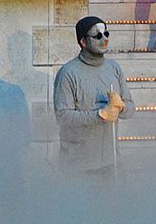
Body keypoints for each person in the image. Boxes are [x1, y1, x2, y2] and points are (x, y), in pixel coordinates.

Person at [53, 15, 133, 177]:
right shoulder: (68, 73)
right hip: (78, 166)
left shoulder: (114, 68)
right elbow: (63, 117)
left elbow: (130, 107)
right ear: (83, 41)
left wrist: (121, 107)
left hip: (111, 162)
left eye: (106, 34)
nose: (104, 39)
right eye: (97, 36)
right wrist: (100, 114)